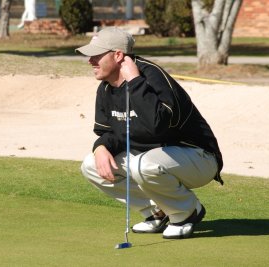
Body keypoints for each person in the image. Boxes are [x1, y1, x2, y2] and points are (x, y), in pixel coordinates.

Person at [77, 27, 223, 239]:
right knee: (91, 165)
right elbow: (111, 132)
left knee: (143, 164)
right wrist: (100, 147)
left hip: (198, 158)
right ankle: (158, 211)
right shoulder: (106, 88)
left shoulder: (152, 77)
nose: (90, 61)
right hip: (154, 161)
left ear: (118, 55)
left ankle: (186, 212)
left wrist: (135, 83)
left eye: (96, 55)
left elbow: (158, 126)